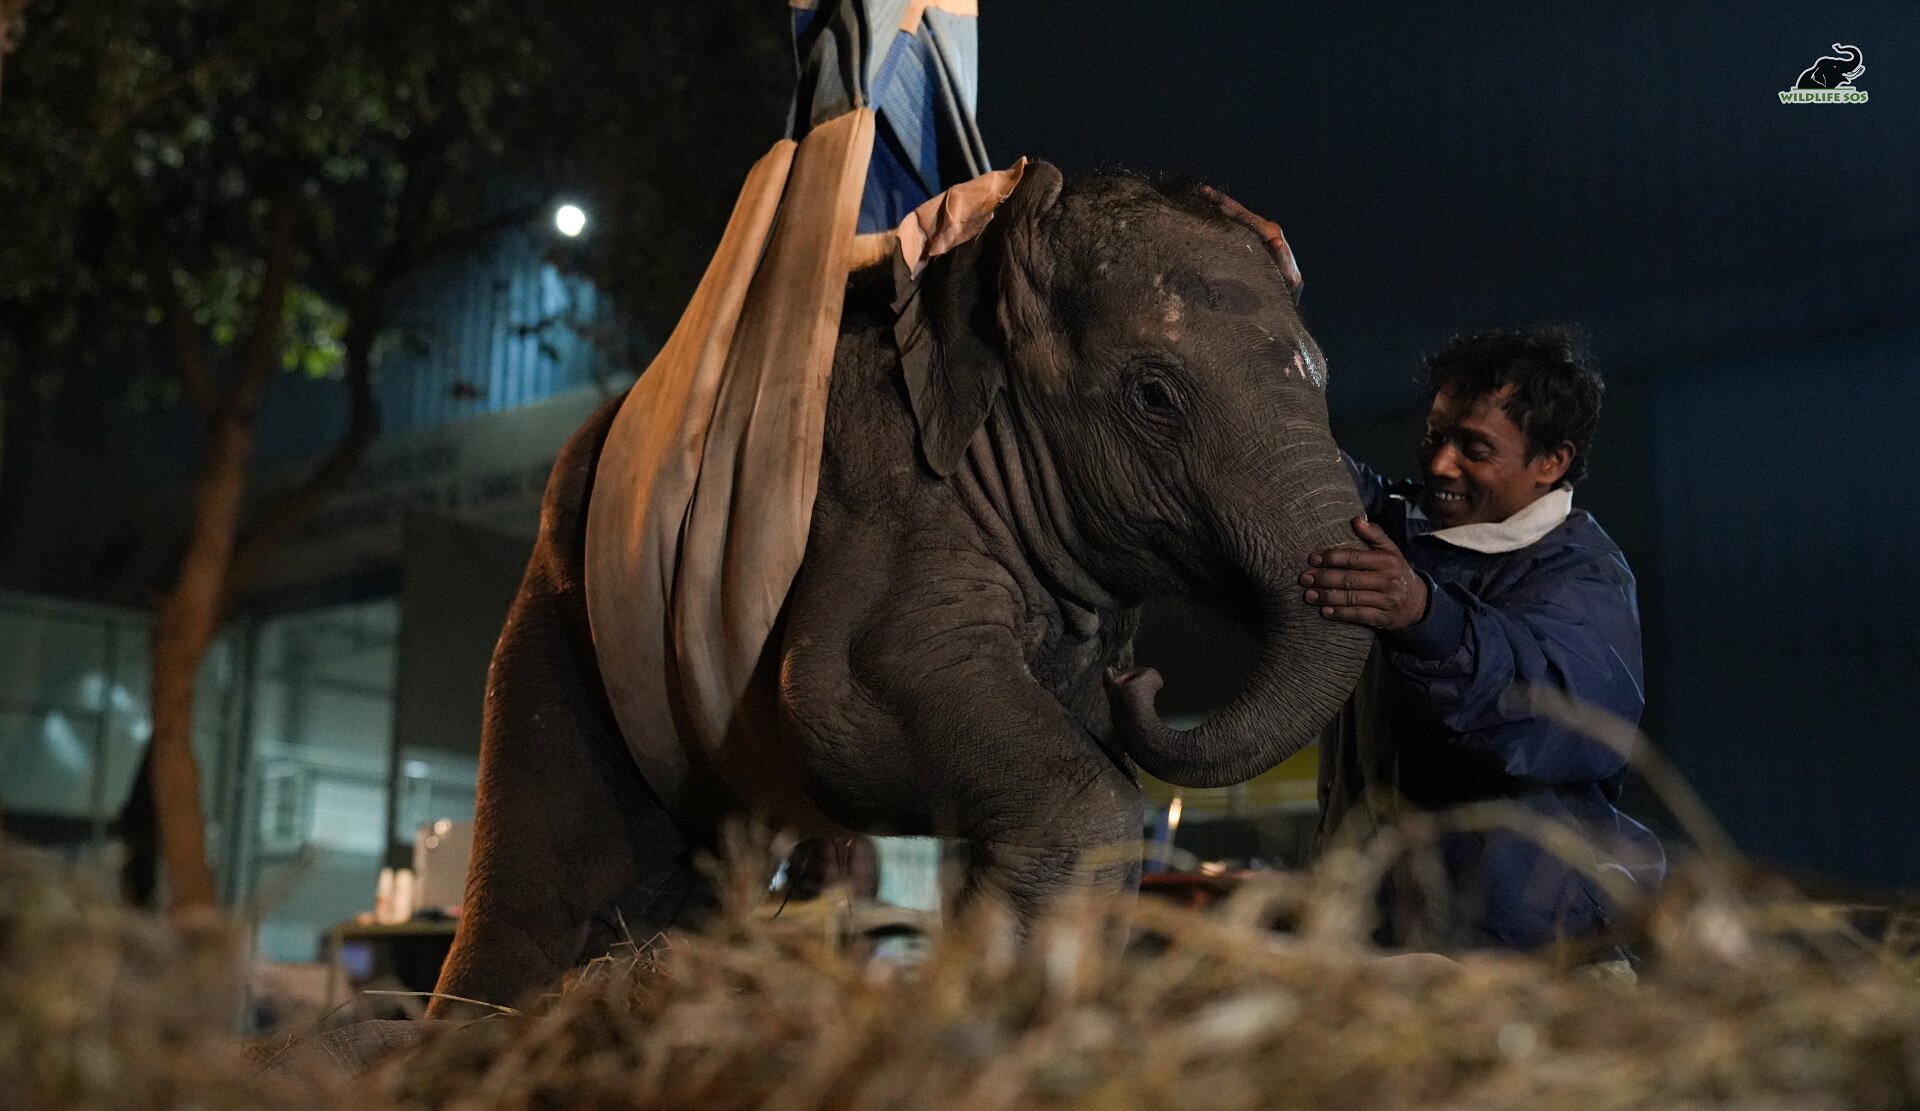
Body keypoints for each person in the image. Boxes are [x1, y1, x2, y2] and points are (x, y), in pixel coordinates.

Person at [1305, 327, 1664, 955]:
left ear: (1551, 462)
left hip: (1527, 957)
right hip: (1380, 942)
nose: (1441, 464)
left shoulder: (1582, 576)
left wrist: (1424, 615)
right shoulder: (1397, 527)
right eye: (1435, 435)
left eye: (1474, 448)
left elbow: (1544, 711)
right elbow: (1293, 467)